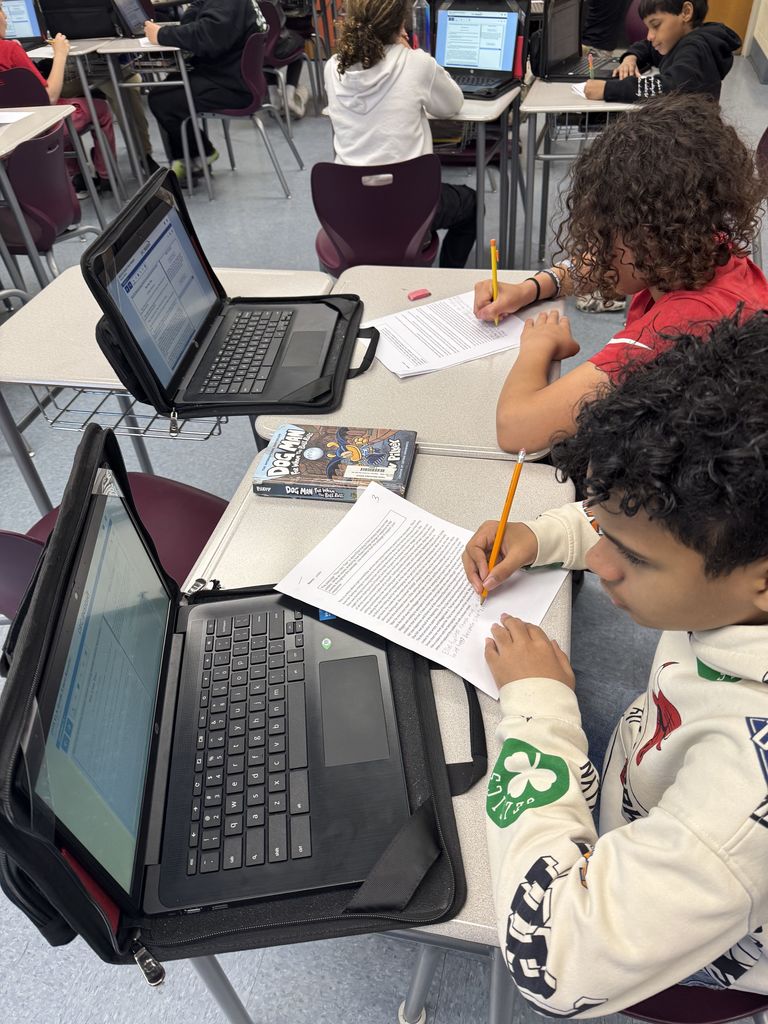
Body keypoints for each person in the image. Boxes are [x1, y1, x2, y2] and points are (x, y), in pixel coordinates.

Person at [463, 311, 768, 1014]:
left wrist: (542, 710)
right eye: (601, 530)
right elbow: (652, 521)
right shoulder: (729, 574)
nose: (599, 563)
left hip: (685, 952)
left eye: (628, 556)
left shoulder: (737, 797)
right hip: (654, 772)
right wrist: (542, 536)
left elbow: (553, 961)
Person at [473, 94, 768, 453]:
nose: (597, 248)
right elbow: (596, 264)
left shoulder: (681, 327)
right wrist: (531, 289)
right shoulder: (703, 247)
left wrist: (538, 347)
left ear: (649, 235)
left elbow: (515, 429)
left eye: (607, 232)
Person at [324, 0, 477, 269]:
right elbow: (452, 104)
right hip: (410, 210)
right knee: (472, 205)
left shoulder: (333, 67)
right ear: (401, 25)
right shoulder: (416, 63)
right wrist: (408, 51)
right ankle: (448, 277)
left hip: (350, 209)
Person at [144, 0, 267, 182]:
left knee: (162, 99)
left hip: (232, 86)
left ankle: (199, 155)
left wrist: (162, 34)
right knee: (169, 88)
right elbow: (192, 23)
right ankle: (196, 156)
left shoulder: (227, 4)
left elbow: (205, 37)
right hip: (233, 77)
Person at [0, 8, 116, 191]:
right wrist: (60, 53)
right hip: (39, 129)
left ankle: (76, 176)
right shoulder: (9, 49)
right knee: (99, 109)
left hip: (7, 134)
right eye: (1, 10)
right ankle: (107, 175)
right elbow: (50, 98)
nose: (6, 17)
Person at [583, 0, 740, 102]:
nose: (650, 36)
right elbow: (647, 47)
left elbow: (669, 88)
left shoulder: (695, 48)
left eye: (656, 25)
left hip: (690, 143)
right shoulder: (679, 41)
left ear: (686, 12)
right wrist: (631, 57)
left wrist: (608, 90)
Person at [261, 0, 311, 118]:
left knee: (265, 45)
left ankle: (273, 97)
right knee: (299, 41)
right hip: (281, 44)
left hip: (255, 51)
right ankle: (289, 96)